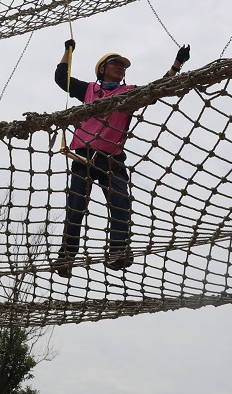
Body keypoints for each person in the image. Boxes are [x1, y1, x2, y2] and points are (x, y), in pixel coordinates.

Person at [53, 39, 191, 278]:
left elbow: (159, 88)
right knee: (75, 208)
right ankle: (66, 258)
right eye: (115, 64)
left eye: (123, 66)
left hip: (112, 160)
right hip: (84, 158)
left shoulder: (128, 93)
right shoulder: (88, 90)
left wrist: (177, 64)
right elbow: (60, 77)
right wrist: (68, 50)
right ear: (102, 68)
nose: (121, 68)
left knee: (121, 205)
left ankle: (117, 252)